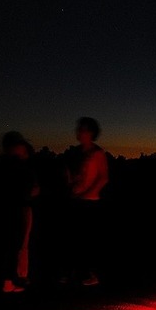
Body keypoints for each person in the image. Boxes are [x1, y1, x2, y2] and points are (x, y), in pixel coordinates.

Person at [59, 116, 109, 287]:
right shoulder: (76, 153)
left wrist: (88, 192)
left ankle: (90, 273)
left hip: (90, 202)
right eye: (79, 129)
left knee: (87, 239)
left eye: (83, 129)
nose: (79, 132)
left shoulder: (97, 153)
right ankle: (72, 272)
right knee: (72, 237)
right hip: (76, 199)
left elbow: (103, 177)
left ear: (91, 133)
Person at [0, 131, 40, 293]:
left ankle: (11, 278)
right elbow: (27, 191)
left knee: (13, 243)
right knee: (14, 244)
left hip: (13, 207)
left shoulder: (5, 166)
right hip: (18, 208)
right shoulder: (19, 170)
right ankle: (9, 280)